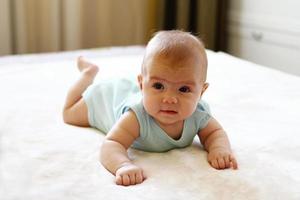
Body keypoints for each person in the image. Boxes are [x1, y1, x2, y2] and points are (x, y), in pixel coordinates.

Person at [62, 30, 238, 186]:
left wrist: (219, 150)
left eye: (184, 89)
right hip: (108, 99)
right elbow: (112, 143)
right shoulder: (136, 115)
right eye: (158, 86)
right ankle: (88, 74)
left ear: (201, 92)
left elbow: (215, 133)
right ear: (141, 84)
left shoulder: (199, 114)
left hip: (133, 91)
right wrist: (122, 165)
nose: (169, 99)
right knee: (69, 114)